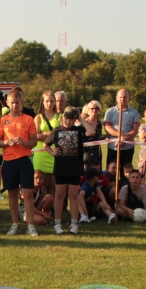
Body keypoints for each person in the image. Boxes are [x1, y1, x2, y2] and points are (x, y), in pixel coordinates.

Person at [0, 89, 39, 236]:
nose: (15, 105)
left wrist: (24, 142)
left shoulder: (28, 119)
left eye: (17, 103)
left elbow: (33, 141)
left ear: (22, 103)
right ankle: (15, 224)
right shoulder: (3, 120)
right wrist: (7, 142)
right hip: (9, 160)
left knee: (27, 193)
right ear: (7, 103)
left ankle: (31, 225)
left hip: (25, 159)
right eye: (12, 103)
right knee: (12, 193)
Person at [45, 106, 94, 234]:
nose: (68, 121)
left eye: (71, 119)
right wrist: (51, 152)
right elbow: (46, 144)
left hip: (75, 168)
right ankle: (57, 223)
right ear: (63, 117)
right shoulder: (57, 130)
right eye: (66, 118)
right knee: (59, 195)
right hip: (61, 167)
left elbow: (91, 132)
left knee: (73, 195)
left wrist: (80, 118)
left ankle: (74, 223)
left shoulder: (78, 130)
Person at [103, 88, 141, 181]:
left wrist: (124, 139)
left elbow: (135, 130)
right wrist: (121, 135)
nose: (122, 99)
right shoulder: (110, 111)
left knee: (126, 175)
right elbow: (107, 128)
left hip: (128, 149)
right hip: (113, 147)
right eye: (120, 97)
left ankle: (124, 189)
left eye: (125, 97)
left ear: (129, 98)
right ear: (116, 98)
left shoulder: (134, 113)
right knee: (111, 174)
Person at [32, 91, 59, 197]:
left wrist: (45, 134)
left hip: (55, 151)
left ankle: (53, 205)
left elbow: (61, 134)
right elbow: (35, 136)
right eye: (47, 101)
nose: (49, 103)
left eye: (52, 101)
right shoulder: (38, 117)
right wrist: (52, 135)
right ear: (43, 102)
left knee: (53, 184)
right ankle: (41, 204)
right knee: (40, 183)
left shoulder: (60, 116)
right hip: (40, 152)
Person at [80, 101, 104, 168]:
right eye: (92, 108)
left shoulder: (99, 123)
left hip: (97, 152)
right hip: (86, 153)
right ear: (88, 110)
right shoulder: (84, 124)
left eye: (96, 108)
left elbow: (99, 138)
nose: (94, 110)